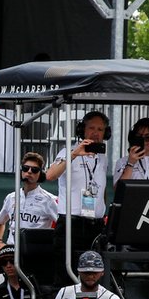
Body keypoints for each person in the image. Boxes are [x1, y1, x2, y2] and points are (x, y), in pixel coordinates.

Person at [45, 110, 110, 267]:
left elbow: (102, 190)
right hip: (71, 224)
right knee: (66, 269)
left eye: (100, 129)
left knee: (95, 270)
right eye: (91, 128)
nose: (95, 133)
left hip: (96, 224)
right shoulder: (67, 151)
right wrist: (74, 154)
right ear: (82, 130)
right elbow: (50, 175)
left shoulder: (103, 158)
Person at [0, 151, 58, 250]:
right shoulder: (11, 197)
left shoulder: (49, 200)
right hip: (11, 251)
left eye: (35, 170)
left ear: (41, 174)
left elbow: (63, 227)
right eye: (25, 168)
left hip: (35, 252)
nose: (29, 172)